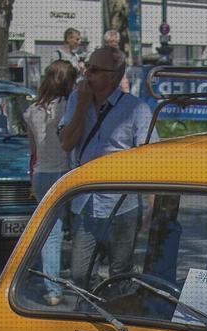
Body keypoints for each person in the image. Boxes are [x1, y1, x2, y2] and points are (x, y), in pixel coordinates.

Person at [58, 46, 158, 288]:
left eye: (93, 69)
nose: (86, 74)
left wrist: (151, 204)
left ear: (113, 75)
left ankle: (114, 313)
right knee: (79, 273)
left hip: (121, 205)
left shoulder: (136, 109)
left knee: (119, 272)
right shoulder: (76, 100)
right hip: (85, 202)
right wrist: (81, 107)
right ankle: (95, 305)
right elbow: (67, 143)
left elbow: (152, 158)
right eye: (86, 68)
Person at [25, 61, 78, 304]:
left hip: (41, 173)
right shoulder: (72, 106)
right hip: (67, 172)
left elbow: (33, 150)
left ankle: (51, 287)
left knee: (49, 232)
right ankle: (78, 282)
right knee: (78, 226)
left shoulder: (32, 110)